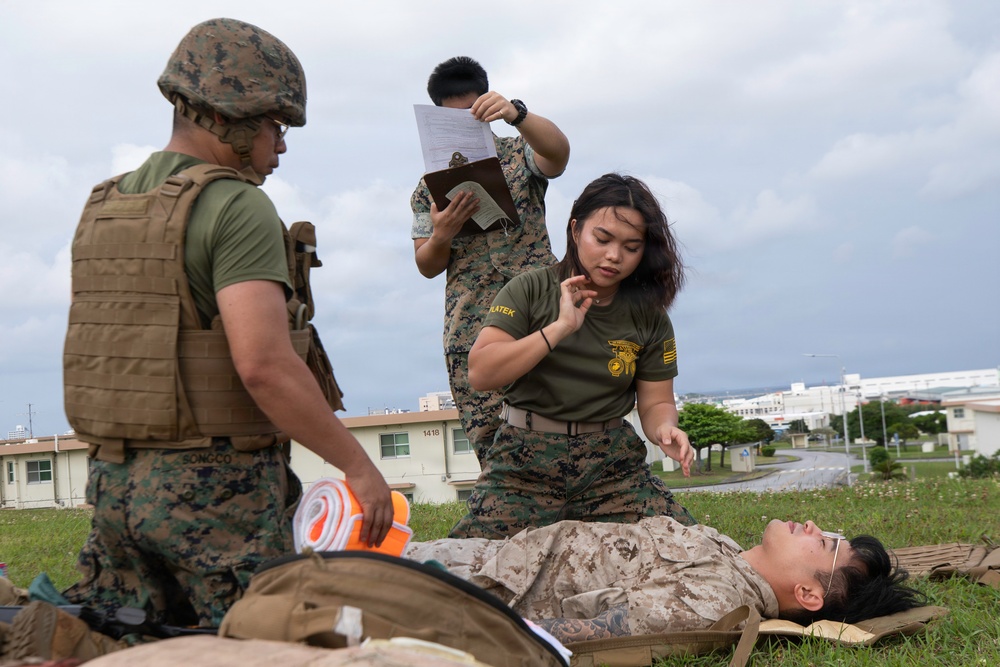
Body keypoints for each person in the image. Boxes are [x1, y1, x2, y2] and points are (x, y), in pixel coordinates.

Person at [60, 18, 393, 629]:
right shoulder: (237, 204)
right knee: (256, 645)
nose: (281, 145)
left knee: (129, 645)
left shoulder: (106, 203)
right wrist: (357, 465)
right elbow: (263, 364)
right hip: (214, 498)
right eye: (276, 125)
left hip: (113, 487)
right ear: (232, 119)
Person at [451, 173, 695, 538]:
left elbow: (656, 402)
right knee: (460, 571)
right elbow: (481, 372)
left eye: (631, 247)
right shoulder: (530, 288)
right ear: (576, 229)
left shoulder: (650, 316)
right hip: (523, 462)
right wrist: (561, 327)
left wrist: (664, 428)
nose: (614, 256)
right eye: (603, 238)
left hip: (611, 467)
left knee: (694, 547)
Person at [406, 515, 924, 643]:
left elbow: (588, 632)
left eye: (827, 544)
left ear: (809, 594)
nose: (813, 526)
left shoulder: (713, 601)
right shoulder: (727, 556)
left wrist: (446, 614)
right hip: (493, 554)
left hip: (473, 583)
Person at [411, 56, 571, 461]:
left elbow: (558, 154)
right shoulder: (428, 188)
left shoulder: (520, 154)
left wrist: (517, 113)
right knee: (491, 436)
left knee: (560, 419)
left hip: (540, 311)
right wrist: (442, 234)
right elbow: (426, 264)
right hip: (471, 323)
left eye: (472, 113)